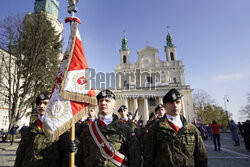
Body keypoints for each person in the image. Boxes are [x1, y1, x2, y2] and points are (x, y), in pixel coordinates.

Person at [143, 88, 207, 167]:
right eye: (171, 103)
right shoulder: (155, 128)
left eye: (177, 102)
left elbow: (201, 157)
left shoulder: (192, 129)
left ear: (181, 105)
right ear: (165, 105)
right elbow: (148, 157)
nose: (175, 105)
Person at [76, 89, 141, 167]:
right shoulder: (88, 130)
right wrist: (73, 149)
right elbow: (79, 158)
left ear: (114, 105)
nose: (103, 103)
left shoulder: (126, 129)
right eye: (101, 100)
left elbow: (135, 158)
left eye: (107, 101)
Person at [14, 92, 68, 167]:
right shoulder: (30, 130)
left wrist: (73, 149)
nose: (41, 106)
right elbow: (20, 154)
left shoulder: (60, 129)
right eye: (40, 103)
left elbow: (66, 155)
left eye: (45, 103)